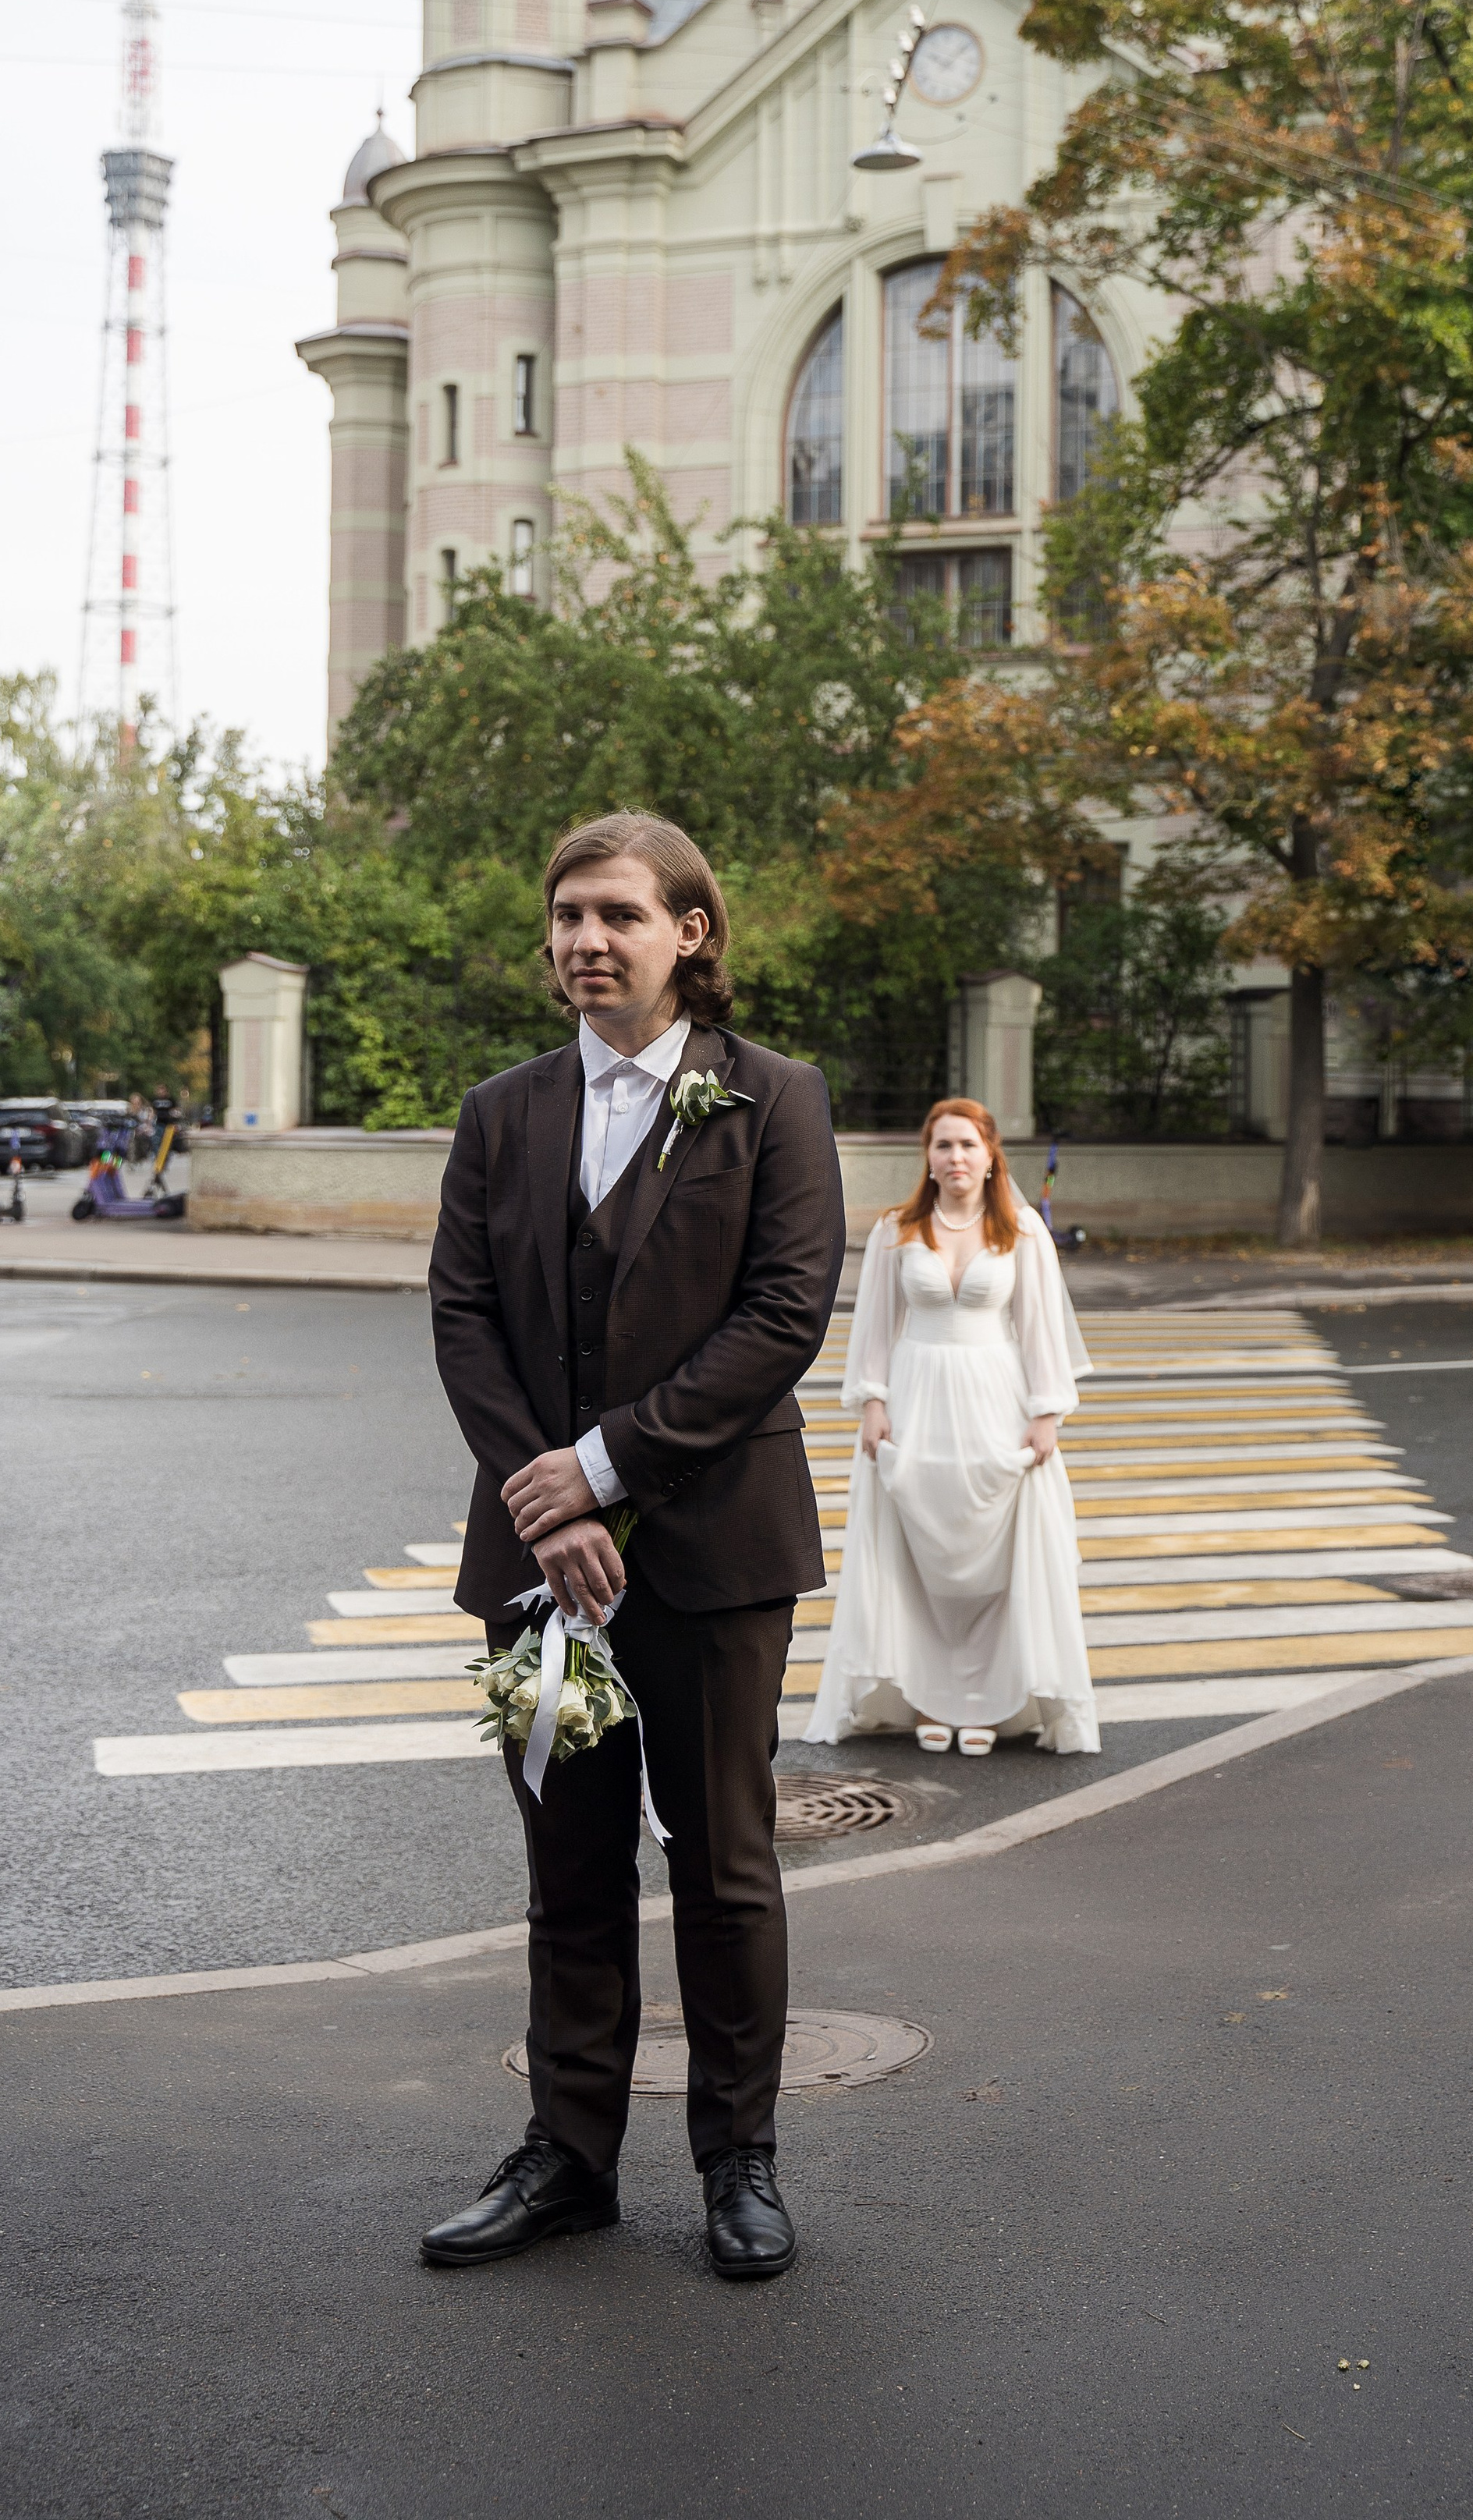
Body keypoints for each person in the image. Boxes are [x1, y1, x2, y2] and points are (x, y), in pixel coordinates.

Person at [422, 810, 844, 2281]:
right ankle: (569, 2156)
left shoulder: (775, 1101)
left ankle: (740, 2160)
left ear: (691, 932)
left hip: (717, 1555)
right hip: (536, 1568)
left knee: (724, 1865)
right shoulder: (503, 1112)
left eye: (615, 915)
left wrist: (602, 1472)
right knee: (571, 1866)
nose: (585, 941)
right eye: (566, 917)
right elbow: (464, 1317)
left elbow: (782, 1319)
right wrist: (547, 1504)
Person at [805, 1097, 1099, 1757]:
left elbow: (1041, 1329)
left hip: (996, 1400)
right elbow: (875, 1327)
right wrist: (872, 1404)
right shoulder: (896, 1230)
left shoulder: (1021, 1230)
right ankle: (927, 1700)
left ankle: (990, 1705)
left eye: (968, 1144)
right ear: (928, 1158)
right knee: (918, 1560)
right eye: (943, 1145)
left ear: (992, 1155)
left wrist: (1046, 1412)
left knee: (992, 1561)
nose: (956, 1157)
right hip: (916, 1402)